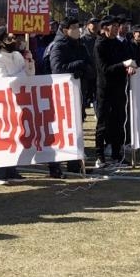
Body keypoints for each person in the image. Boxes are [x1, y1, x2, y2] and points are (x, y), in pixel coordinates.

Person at [47, 18, 94, 176]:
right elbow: (57, 69)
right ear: (65, 29)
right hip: (61, 96)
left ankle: (74, 164)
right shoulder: (58, 46)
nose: (77, 30)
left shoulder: (80, 44)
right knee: (59, 132)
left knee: (76, 130)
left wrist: (82, 69)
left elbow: (89, 65)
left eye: (78, 27)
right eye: (74, 27)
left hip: (78, 93)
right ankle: (54, 166)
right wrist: (78, 65)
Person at [0, 32, 33, 184]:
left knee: (16, 137)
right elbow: (3, 82)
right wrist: (22, 75)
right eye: (9, 38)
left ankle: (12, 170)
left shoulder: (17, 56)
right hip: (2, 103)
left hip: (19, 101)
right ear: (0, 42)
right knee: (2, 137)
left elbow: (29, 75)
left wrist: (29, 62)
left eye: (15, 38)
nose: (14, 41)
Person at [94, 17, 137, 167]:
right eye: (113, 26)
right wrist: (123, 64)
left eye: (117, 25)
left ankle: (117, 154)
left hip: (119, 88)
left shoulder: (117, 44)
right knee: (103, 123)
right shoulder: (99, 44)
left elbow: (126, 60)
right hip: (104, 89)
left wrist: (130, 66)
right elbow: (104, 69)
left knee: (119, 122)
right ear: (105, 28)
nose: (116, 28)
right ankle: (100, 156)